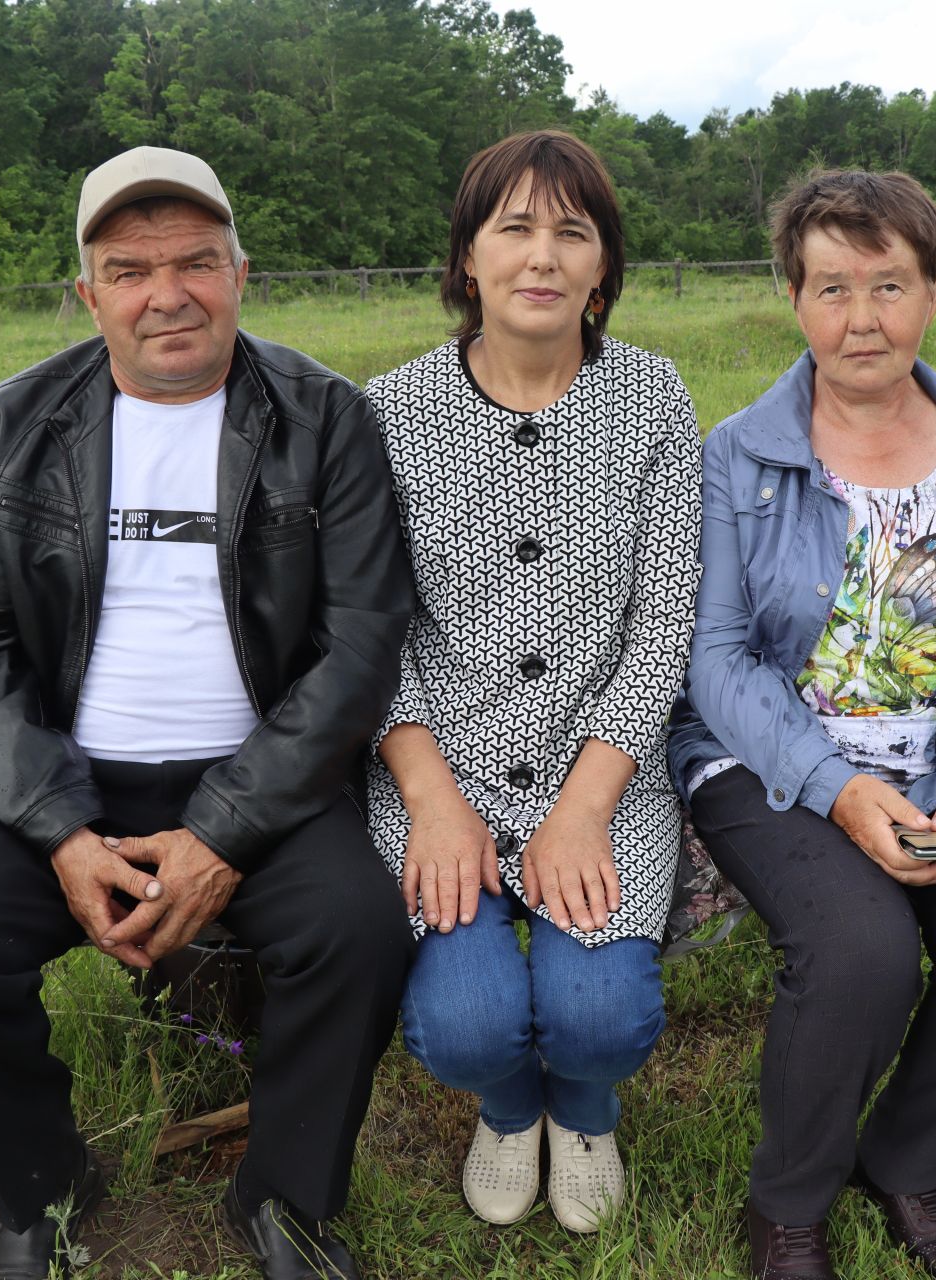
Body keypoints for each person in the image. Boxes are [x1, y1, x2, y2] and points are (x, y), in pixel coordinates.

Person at [0, 146, 415, 1280]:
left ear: (241, 272)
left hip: (260, 771)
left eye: (196, 262)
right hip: (62, 773)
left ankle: (288, 1196)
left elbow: (361, 645)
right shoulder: (20, 420)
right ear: (89, 293)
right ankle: (42, 1186)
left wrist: (222, 829)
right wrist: (62, 829)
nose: (167, 293)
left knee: (357, 933)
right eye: (130, 270)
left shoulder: (325, 418)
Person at [667, 170, 936, 1280]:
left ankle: (905, 1157)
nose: (863, 317)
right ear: (795, 299)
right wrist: (842, 789)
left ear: (935, 291)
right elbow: (715, 659)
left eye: (890, 284)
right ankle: (790, 1203)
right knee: (861, 947)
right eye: (834, 286)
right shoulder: (740, 453)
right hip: (775, 766)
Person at [362, 130, 701, 1235]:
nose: (541, 255)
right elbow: (366, 629)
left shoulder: (653, 398)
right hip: (438, 772)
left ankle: (585, 1107)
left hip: (604, 766)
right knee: (466, 1021)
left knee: (597, 1010)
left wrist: (586, 806)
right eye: (513, 228)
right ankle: (510, 1110)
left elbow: (662, 623)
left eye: (572, 230)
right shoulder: (389, 409)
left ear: (605, 265)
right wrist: (428, 795)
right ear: (467, 259)